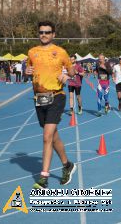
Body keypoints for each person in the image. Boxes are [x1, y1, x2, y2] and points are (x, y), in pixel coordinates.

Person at [26, 20, 76, 189]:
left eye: (47, 32)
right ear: (38, 34)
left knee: (47, 137)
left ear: (53, 34)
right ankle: (67, 164)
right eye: (41, 32)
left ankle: (43, 177)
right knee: (53, 137)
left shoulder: (60, 52)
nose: (44, 35)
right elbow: (29, 70)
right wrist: (27, 72)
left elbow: (72, 71)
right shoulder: (32, 52)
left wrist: (67, 77)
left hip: (56, 96)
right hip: (39, 98)